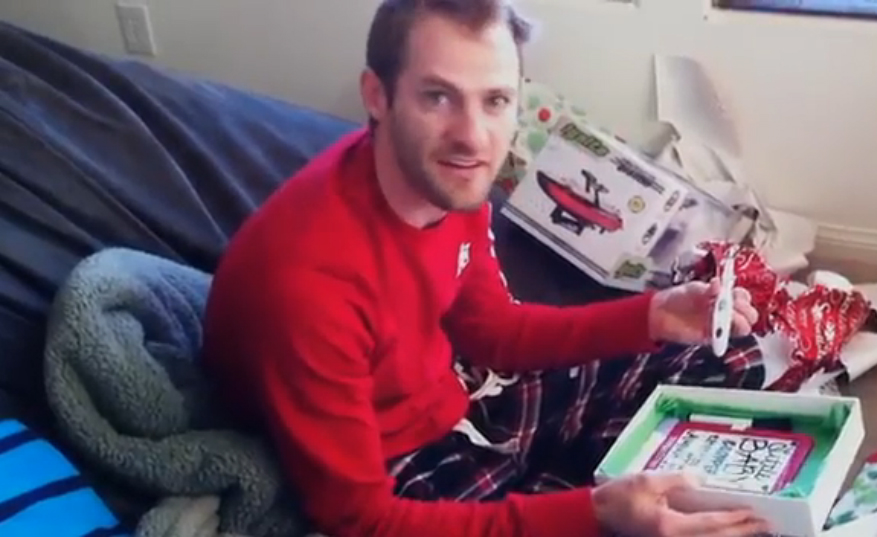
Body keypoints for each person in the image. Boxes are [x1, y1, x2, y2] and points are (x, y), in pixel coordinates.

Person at [200, 1, 772, 536]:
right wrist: (592, 514)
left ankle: (576, 489)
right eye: (438, 98)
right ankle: (584, 495)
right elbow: (360, 518)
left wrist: (652, 316)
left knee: (726, 353)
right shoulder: (308, 283)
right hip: (404, 470)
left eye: (495, 101)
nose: (473, 138)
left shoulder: (452, 186)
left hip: (468, 401)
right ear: (377, 95)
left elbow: (493, 333)